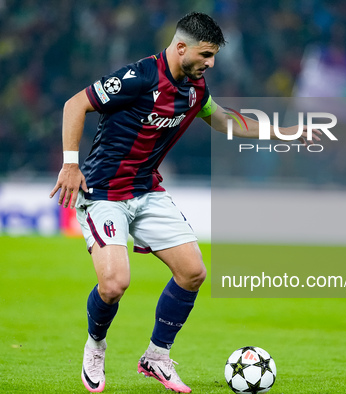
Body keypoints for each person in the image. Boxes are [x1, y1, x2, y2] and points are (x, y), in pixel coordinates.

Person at [49, 11, 319, 393]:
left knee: (193, 272)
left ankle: (157, 356)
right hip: (104, 193)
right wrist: (71, 165)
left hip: (147, 190)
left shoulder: (196, 90)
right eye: (206, 55)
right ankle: (95, 346)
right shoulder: (139, 77)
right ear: (181, 48)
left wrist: (286, 133)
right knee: (114, 284)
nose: (210, 64)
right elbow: (75, 104)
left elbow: (226, 122)